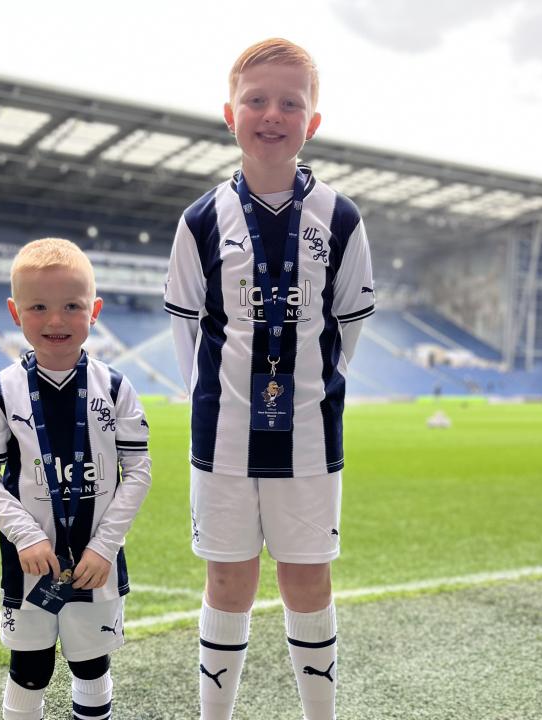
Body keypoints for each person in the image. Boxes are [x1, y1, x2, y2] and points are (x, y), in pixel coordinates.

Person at [164, 38, 375, 720]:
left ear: (312, 122)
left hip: (309, 439)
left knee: (307, 577)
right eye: (256, 100)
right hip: (222, 438)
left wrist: (307, 397)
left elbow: (347, 327)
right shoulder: (200, 220)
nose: (272, 114)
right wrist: (222, 401)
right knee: (227, 577)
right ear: (231, 113)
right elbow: (186, 332)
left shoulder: (341, 218)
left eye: (291, 102)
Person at [0, 238, 151, 720]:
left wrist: (104, 545)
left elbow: (138, 472)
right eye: (39, 307)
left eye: (72, 306)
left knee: (92, 664)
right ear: (14, 311)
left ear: (95, 311)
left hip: (97, 563)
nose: (55, 321)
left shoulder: (115, 388)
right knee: (29, 667)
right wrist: (26, 535)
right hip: (30, 565)